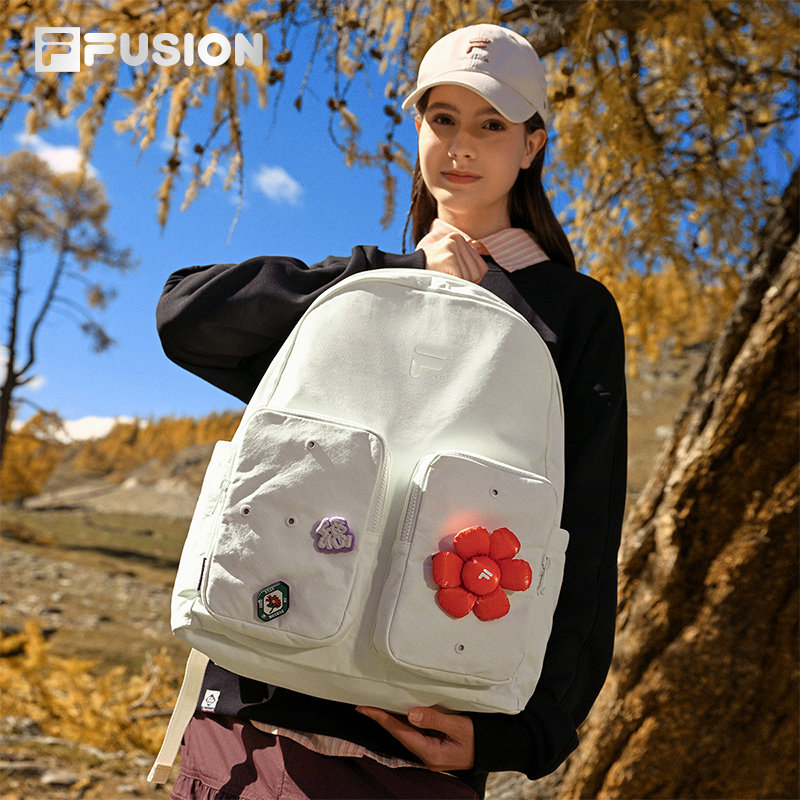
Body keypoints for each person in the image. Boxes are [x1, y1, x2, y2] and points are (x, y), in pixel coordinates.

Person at [156, 23, 627, 800]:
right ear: (418, 129)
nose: (461, 146)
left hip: (411, 741)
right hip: (253, 711)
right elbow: (185, 317)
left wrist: (525, 733)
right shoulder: (365, 290)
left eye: (492, 125)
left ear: (532, 145)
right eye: (442, 118)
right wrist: (397, 271)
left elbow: (586, 530)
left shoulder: (572, 315)